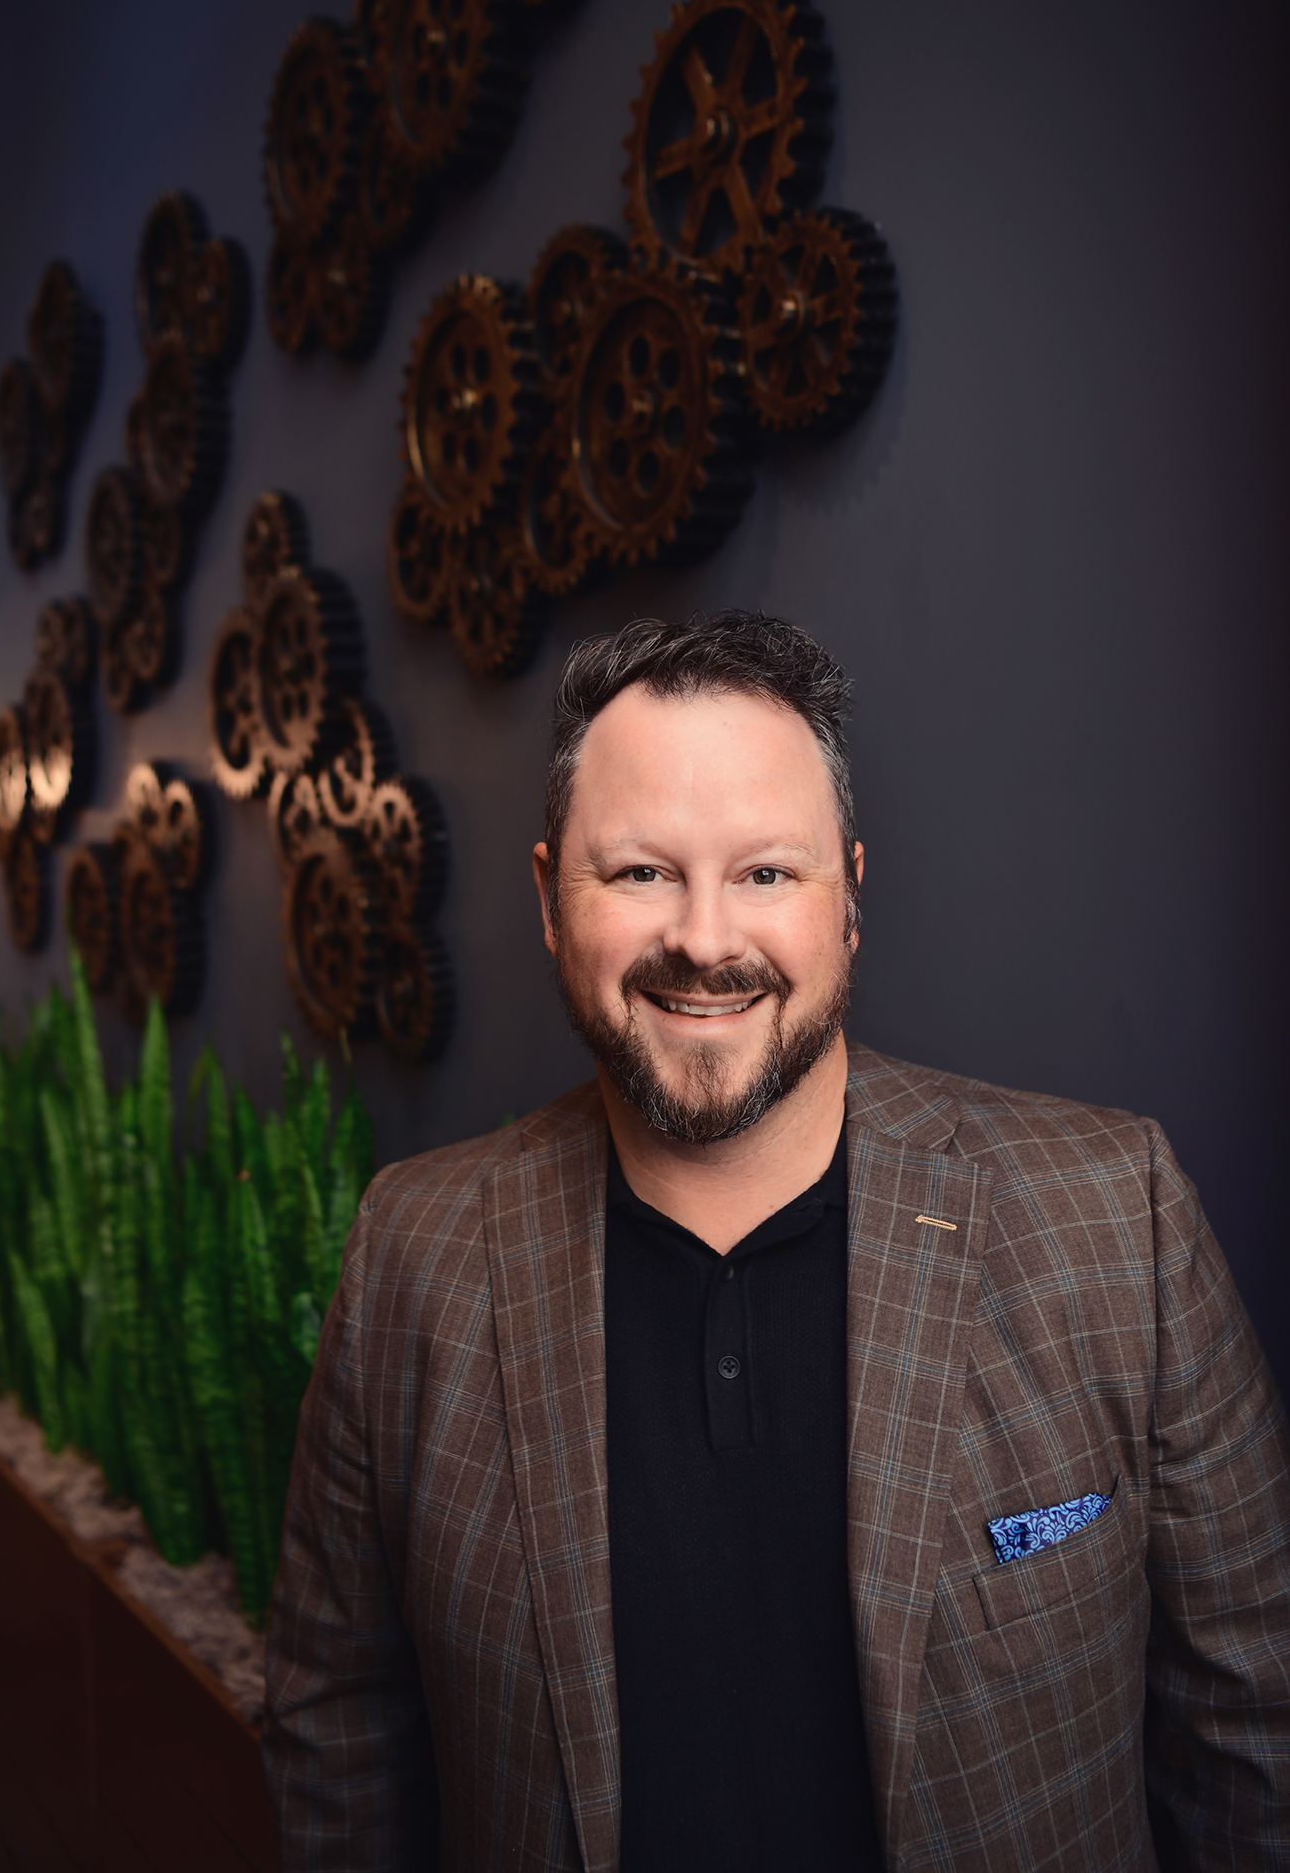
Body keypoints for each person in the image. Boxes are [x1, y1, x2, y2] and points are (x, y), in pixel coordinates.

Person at [264, 610, 1290, 1871]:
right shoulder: (409, 1255)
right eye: (640, 871)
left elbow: (1254, 1729)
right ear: (547, 897)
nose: (705, 937)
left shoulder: (1114, 1213)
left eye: (765, 872)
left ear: (847, 894)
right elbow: (338, 1734)